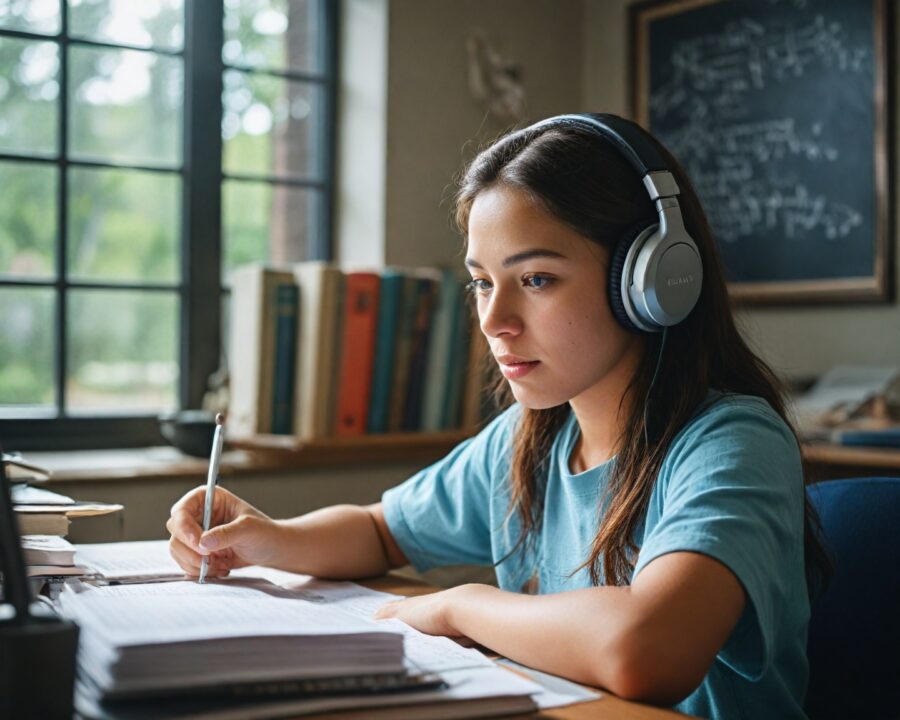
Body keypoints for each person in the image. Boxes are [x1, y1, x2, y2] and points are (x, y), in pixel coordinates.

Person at [167, 114, 829, 719]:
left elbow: (645, 648)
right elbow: (379, 531)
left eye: (535, 279)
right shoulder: (530, 439)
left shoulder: (731, 443)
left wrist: (461, 604)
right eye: (483, 282)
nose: (493, 320)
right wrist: (265, 536)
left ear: (651, 281)